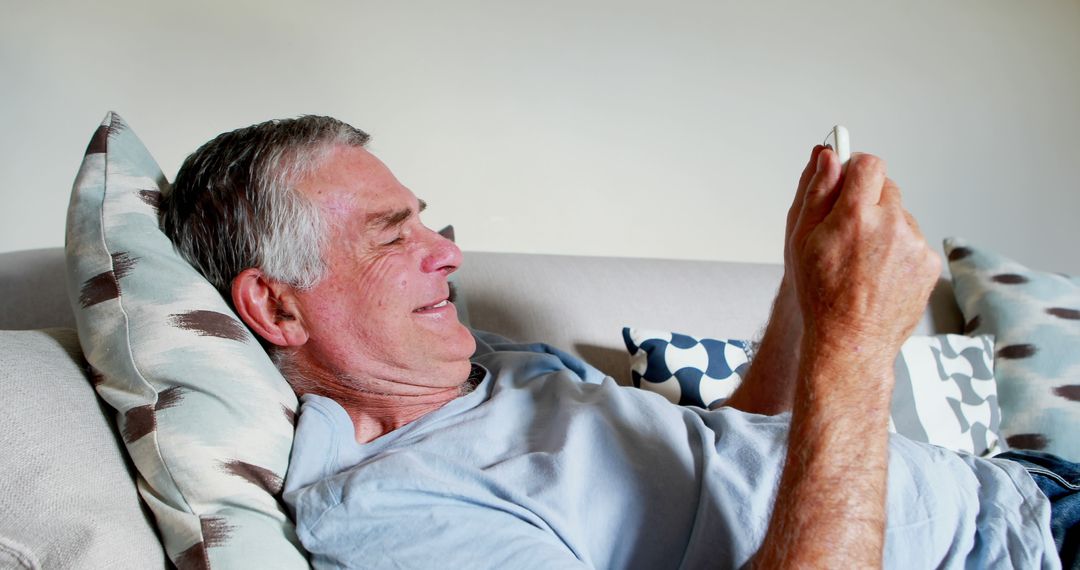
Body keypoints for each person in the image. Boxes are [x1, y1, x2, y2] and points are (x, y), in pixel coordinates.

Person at [161, 116, 1076, 568]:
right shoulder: (394, 513)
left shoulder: (494, 370)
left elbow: (734, 468)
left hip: (1026, 485)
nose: (449, 253)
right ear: (278, 311)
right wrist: (858, 338)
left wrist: (803, 294)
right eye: (393, 235)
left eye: (428, 222)